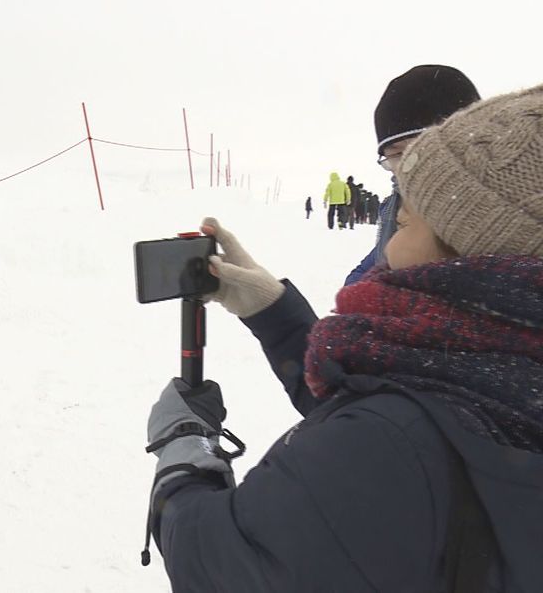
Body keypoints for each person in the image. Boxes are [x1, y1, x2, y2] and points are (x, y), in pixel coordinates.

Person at [143, 84, 543, 590]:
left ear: (472, 245)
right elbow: (420, 410)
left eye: (409, 218)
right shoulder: (499, 370)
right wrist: (273, 311)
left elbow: (221, 564)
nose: (391, 235)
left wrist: (181, 452)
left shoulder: (390, 440)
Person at [345, 65, 480, 284]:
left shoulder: (498, 213)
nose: (405, 169)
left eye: (416, 151)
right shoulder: (397, 205)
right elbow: (375, 265)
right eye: (395, 155)